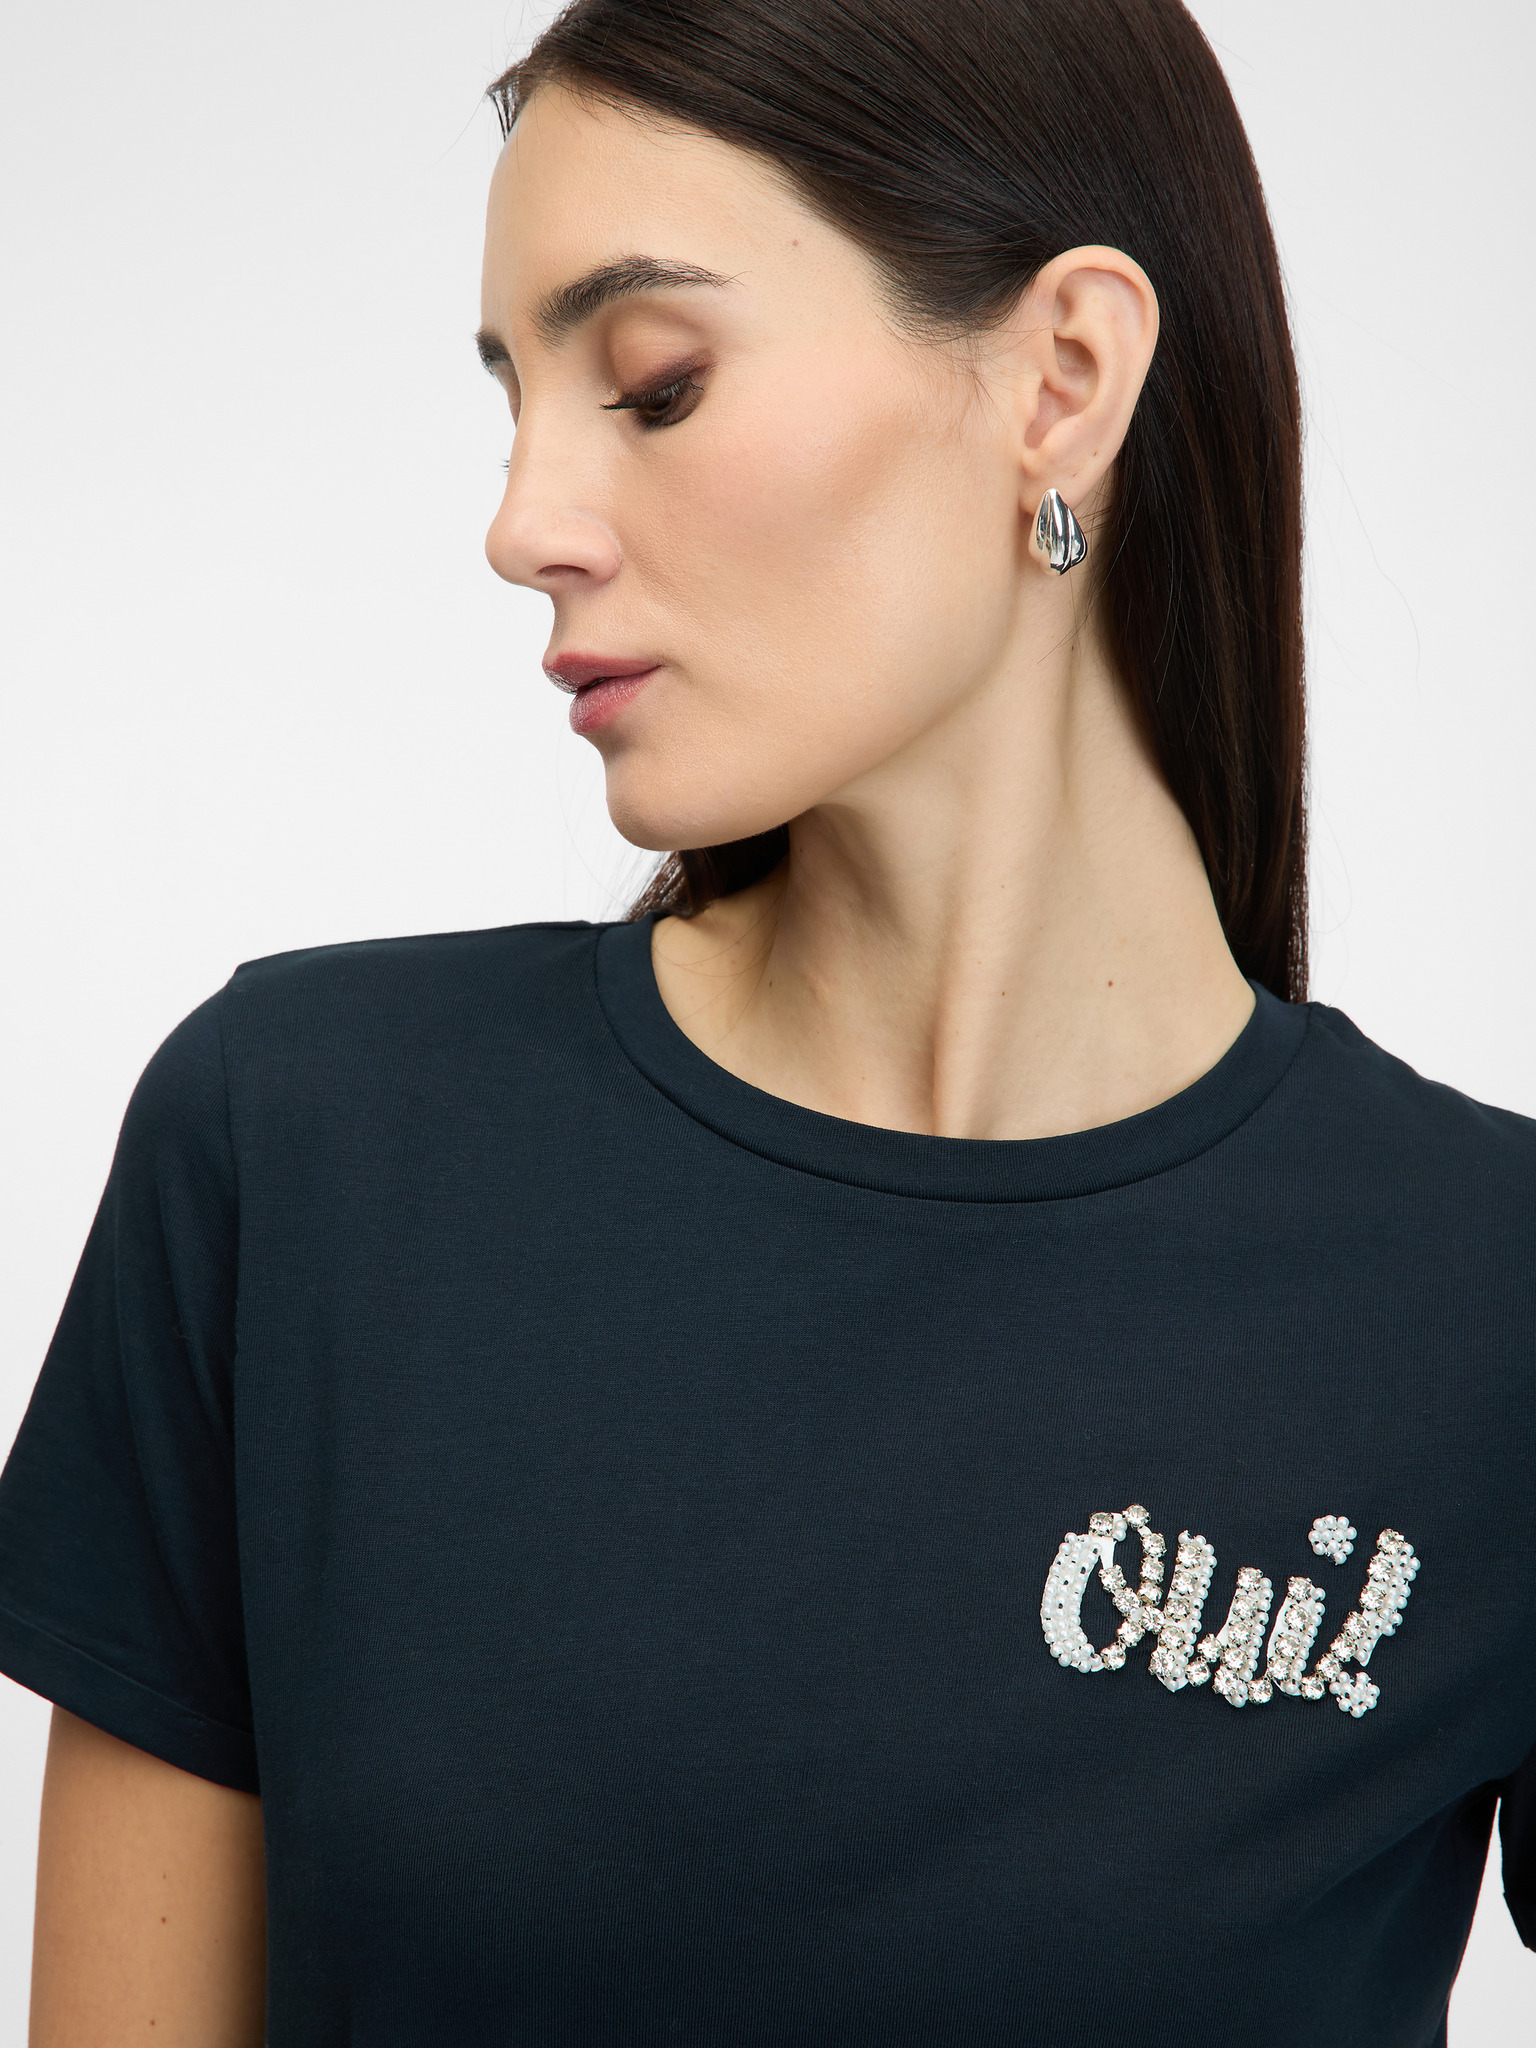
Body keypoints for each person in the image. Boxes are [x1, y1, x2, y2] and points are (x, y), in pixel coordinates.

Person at [2, 0, 1532, 2040]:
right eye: (514, 400)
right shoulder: (300, 1153)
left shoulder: (1489, 1306)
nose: (521, 521)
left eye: (655, 384)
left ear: (1063, 380)